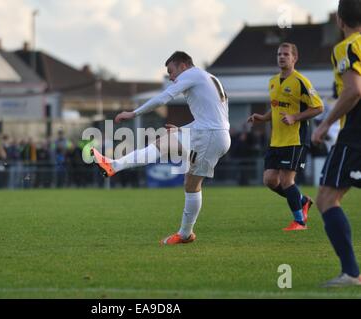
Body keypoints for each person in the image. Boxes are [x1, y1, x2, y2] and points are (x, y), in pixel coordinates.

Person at [91, 51, 231, 245]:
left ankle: (184, 234)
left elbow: (163, 98)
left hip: (209, 136)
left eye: (171, 71)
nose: (171, 77)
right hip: (209, 133)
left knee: (190, 181)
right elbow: (213, 119)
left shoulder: (192, 74)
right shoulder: (209, 78)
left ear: (183, 66)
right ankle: (113, 166)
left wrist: (134, 113)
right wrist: (182, 130)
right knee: (170, 150)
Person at [247, 43, 323, 231]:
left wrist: (295, 117)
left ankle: (299, 222)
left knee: (287, 180)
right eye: (279, 54)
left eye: (286, 54)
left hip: (295, 139)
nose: (282, 57)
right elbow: (276, 108)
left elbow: (318, 107)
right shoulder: (273, 81)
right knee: (270, 180)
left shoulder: (301, 81)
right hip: (276, 140)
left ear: (294, 58)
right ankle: (303, 201)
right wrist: (263, 118)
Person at [312, 0, 361, 287]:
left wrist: (326, 123)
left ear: (340, 21)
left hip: (355, 132)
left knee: (327, 198)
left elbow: (354, 90)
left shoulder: (346, 47)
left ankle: (352, 274)